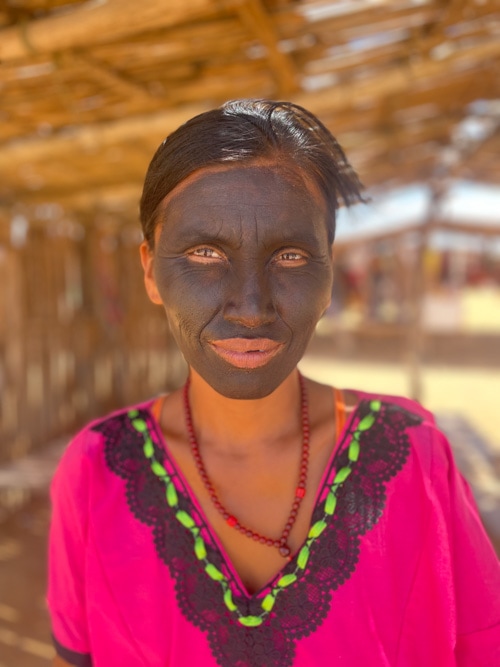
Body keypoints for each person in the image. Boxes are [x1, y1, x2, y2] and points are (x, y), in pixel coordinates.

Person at [48, 100, 500, 667]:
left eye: (289, 255)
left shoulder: (412, 460)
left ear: (329, 276)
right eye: (205, 252)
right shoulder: (97, 472)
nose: (252, 308)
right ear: (149, 272)